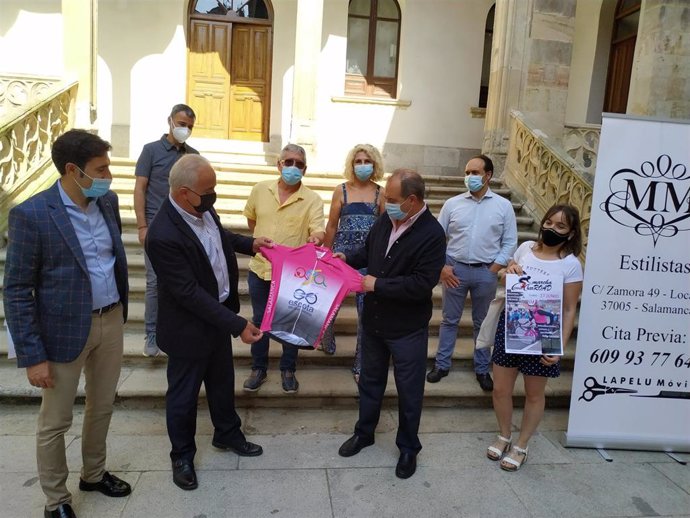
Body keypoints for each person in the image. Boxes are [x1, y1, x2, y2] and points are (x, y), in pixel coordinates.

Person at [3, 129, 130, 518]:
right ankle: (56, 499)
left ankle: (93, 474)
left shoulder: (107, 202)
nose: (108, 176)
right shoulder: (32, 214)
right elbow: (17, 289)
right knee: (55, 421)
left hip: (110, 321)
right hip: (61, 331)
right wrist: (32, 355)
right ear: (73, 170)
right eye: (101, 169)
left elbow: (112, 260)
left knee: (102, 405)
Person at [145, 154, 272, 491]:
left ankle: (227, 434)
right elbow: (187, 292)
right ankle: (182, 456)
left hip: (217, 317)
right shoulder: (162, 234)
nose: (213, 195)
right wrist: (237, 324)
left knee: (221, 383)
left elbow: (220, 236)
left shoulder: (201, 208)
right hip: (189, 329)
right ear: (185, 192)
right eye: (208, 190)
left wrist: (252, 244)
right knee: (183, 397)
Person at [336, 169, 446, 480]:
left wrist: (376, 286)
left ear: (412, 201)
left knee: (409, 392)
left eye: (393, 200)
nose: (387, 203)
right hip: (373, 322)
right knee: (370, 382)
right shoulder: (386, 220)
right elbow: (369, 252)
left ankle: (409, 447)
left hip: (407, 328)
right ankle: (364, 433)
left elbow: (421, 284)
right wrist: (346, 257)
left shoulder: (432, 234)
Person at [487, 204, 583, 471]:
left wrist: (560, 346)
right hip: (513, 327)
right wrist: (509, 272)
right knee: (500, 389)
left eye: (561, 226)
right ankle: (504, 435)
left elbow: (568, 309)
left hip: (545, 335)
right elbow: (506, 280)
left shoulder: (571, 265)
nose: (552, 229)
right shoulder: (525, 249)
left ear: (572, 232)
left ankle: (521, 445)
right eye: (549, 222)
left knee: (534, 394)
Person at [427, 154, 517, 391]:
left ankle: (482, 369)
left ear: (488, 176)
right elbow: (436, 238)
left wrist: (494, 268)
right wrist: (442, 267)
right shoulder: (452, 204)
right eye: (467, 173)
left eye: (475, 173)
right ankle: (442, 364)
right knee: (449, 320)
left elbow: (509, 242)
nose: (469, 177)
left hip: (485, 272)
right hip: (454, 269)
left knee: (483, 322)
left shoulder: (503, 206)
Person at [242, 144, 326, 394]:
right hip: (260, 269)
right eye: (288, 162)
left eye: (299, 164)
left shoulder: (312, 199)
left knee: (291, 323)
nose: (293, 167)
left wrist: (317, 239)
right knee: (260, 320)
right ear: (279, 164)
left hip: (293, 275)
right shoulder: (260, 189)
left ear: (305, 169)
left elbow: (318, 229)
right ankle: (258, 368)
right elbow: (252, 220)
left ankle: (288, 369)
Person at [134, 104, 198, 357]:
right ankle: (152, 333)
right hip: (155, 227)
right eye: (181, 124)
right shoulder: (150, 151)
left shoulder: (193, 155)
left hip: (183, 228)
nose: (185, 130)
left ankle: (176, 331)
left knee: (183, 282)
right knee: (154, 282)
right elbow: (140, 188)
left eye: (190, 127)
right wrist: (142, 225)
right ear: (170, 121)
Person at [321, 144, 386, 382]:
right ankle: (326, 338)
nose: (362, 165)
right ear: (351, 164)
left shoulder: (381, 193)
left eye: (366, 161)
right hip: (340, 257)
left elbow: (386, 227)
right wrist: (326, 254)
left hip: (367, 260)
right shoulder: (341, 190)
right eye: (358, 161)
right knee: (330, 304)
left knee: (365, 313)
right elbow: (331, 225)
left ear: (375, 164)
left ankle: (360, 364)